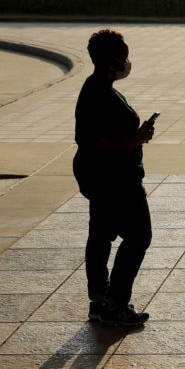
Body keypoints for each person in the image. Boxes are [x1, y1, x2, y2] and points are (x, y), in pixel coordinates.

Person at [73, 29, 155, 327]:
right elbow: (106, 142)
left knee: (101, 234)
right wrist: (138, 139)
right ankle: (115, 304)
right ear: (108, 60)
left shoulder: (97, 86)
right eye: (122, 56)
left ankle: (100, 299)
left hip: (97, 175)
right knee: (138, 236)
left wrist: (135, 137)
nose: (126, 61)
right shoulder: (100, 93)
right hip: (114, 178)